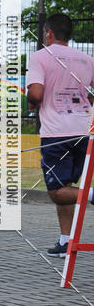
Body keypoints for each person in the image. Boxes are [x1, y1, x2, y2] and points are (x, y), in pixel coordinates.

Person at [26, 13, 94, 256]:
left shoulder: (40, 57)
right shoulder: (87, 59)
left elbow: (35, 94)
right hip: (84, 132)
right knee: (66, 186)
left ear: (48, 33)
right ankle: (66, 241)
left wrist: (31, 101)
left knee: (57, 192)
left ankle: (92, 195)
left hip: (57, 134)